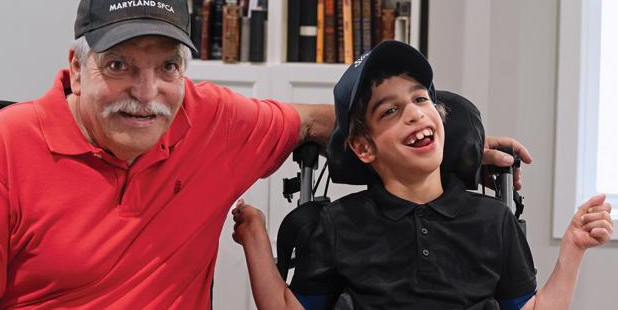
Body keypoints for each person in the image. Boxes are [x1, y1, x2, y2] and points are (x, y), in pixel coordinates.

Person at [0, 0, 528, 309]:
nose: (145, 93)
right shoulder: (7, 146)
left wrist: (443, 141)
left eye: (167, 67)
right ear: (76, 64)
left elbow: (318, 119)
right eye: (118, 65)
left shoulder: (212, 120)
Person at [231, 40, 613, 310]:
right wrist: (254, 236)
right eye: (389, 111)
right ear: (363, 147)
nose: (414, 113)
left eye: (420, 99)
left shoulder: (492, 220)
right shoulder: (339, 223)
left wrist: (573, 249)